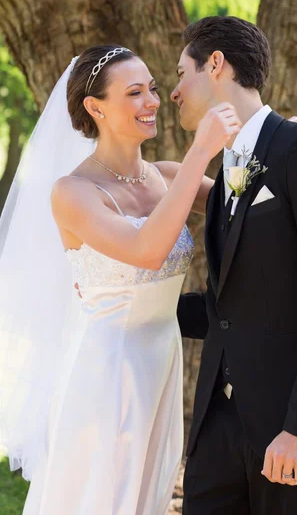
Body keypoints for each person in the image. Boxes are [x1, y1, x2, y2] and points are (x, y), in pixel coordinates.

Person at [0, 44, 242, 515]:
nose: (153, 101)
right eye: (134, 92)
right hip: (106, 372)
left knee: (145, 496)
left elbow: (254, 211)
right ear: (96, 107)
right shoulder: (73, 192)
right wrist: (200, 153)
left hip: (162, 364)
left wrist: (287, 148)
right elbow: (145, 252)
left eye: (152, 88)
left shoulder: (167, 177)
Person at [174, 16, 297, 515]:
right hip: (217, 434)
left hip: (294, 438)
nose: (174, 91)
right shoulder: (227, 174)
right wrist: (132, 309)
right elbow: (233, 307)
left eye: (181, 73)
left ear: (216, 64)